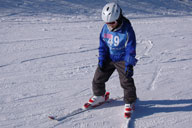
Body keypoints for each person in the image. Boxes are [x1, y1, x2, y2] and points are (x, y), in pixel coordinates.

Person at [84, 2, 137, 118]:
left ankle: (130, 101)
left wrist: (129, 64)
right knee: (98, 77)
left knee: (126, 80)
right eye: (107, 23)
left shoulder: (127, 30)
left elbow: (130, 48)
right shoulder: (105, 28)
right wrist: (102, 58)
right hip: (109, 57)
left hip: (122, 58)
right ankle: (99, 96)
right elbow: (102, 44)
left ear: (118, 18)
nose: (110, 25)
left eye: (112, 23)